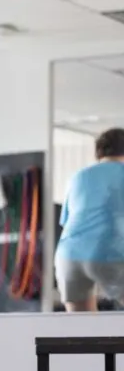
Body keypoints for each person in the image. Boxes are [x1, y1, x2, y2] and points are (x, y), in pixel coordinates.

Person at [55, 127, 124, 312]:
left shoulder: (78, 177)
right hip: (110, 251)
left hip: (68, 256)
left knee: (82, 330)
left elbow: (67, 221)